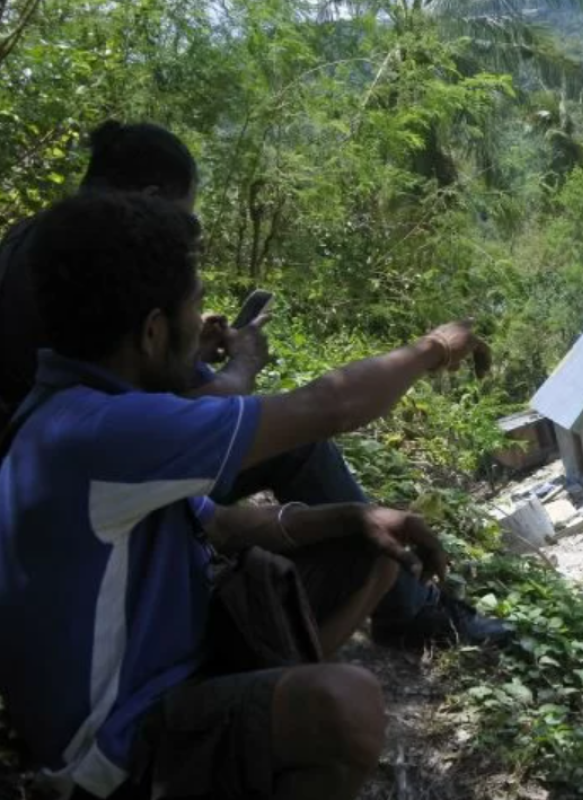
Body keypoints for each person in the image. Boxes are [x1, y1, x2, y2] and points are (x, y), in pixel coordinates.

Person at [0, 191, 493, 800]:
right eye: (194, 307)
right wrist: (434, 348)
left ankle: (259, 737)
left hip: (164, 668)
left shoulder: (80, 413)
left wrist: (353, 515)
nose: (204, 324)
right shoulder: (102, 432)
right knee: (345, 705)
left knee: (368, 548)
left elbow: (225, 526)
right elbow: (329, 406)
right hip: (111, 757)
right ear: (153, 333)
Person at [0, 120, 507, 646]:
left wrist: (182, 349)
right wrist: (433, 348)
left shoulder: (55, 245)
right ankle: (405, 614)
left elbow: (123, 383)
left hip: (70, 487)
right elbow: (326, 406)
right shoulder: (85, 276)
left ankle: (378, 597)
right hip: (99, 496)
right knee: (301, 444)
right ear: (150, 200)